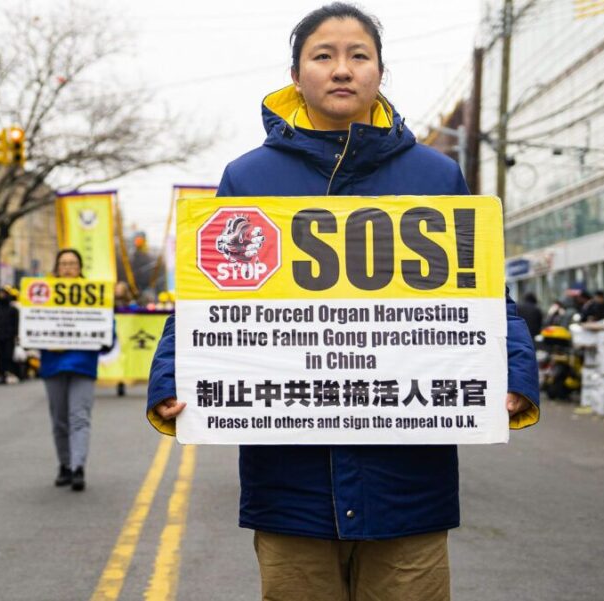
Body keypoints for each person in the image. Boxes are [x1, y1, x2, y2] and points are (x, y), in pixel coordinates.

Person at [145, 5, 540, 600]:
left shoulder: (437, 176)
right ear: (296, 72)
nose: (341, 69)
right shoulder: (248, 178)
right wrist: (173, 375)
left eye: (359, 55)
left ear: (381, 71)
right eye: (323, 56)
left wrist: (514, 369)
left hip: (409, 485)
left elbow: (482, 294)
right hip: (290, 487)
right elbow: (210, 298)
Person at [41, 249, 108, 491]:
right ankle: (65, 465)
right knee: (59, 420)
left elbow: (107, 329)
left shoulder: (96, 294)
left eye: (72, 263)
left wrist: (104, 336)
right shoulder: (43, 293)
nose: (68, 268)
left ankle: (78, 467)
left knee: (79, 417)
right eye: (64, 264)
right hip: (52, 365)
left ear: (80, 268)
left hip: (82, 364)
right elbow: (30, 324)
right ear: (57, 268)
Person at [0, 286, 22, 384]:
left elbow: (17, 324)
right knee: (0, 357)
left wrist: (16, 335)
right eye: (0, 294)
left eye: (3, 294)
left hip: (10, 337)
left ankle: (10, 373)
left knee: (9, 356)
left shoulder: (13, 309)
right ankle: (1, 374)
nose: (1, 296)